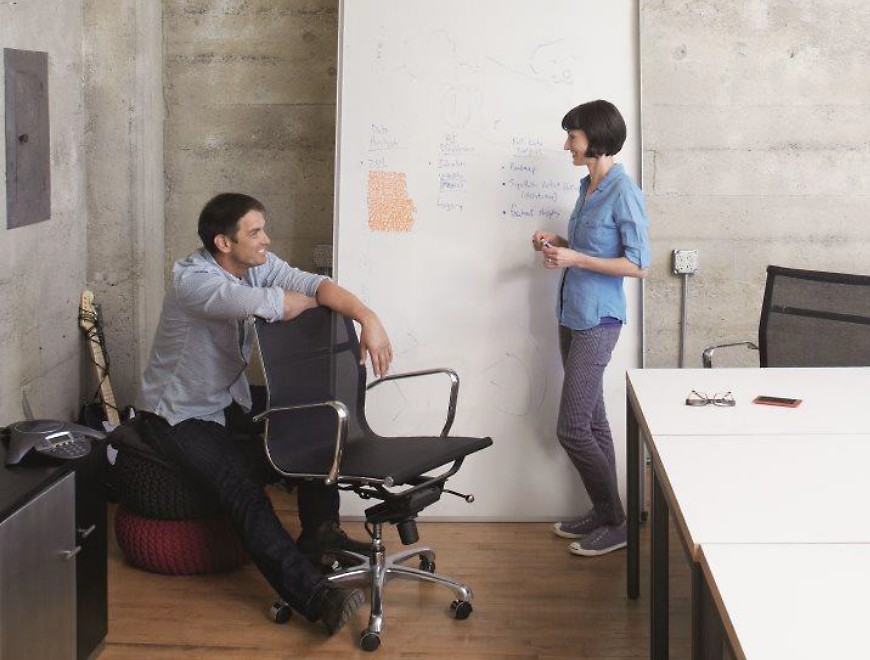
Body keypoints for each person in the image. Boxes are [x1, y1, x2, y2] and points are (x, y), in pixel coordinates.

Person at [136, 192, 394, 633]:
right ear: (223, 243)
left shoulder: (253, 265)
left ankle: (321, 533)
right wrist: (315, 299)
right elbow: (285, 304)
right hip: (178, 415)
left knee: (313, 425)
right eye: (255, 232)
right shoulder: (194, 283)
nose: (266, 240)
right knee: (240, 487)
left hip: (227, 400)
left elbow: (315, 284)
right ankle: (315, 596)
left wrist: (367, 317)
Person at [531, 100, 651, 557]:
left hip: (599, 320)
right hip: (571, 315)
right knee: (593, 420)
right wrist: (558, 243)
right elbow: (587, 249)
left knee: (572, 429)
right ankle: (606, 513)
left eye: (573, 136)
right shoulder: (588, 187)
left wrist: (575, 257)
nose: (567, 145)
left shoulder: (624, 191)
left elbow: (639, 265)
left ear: (596, 139)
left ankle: (617, 521)